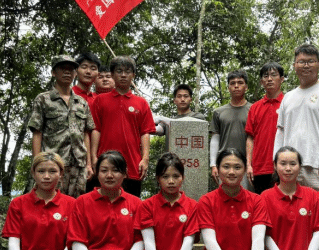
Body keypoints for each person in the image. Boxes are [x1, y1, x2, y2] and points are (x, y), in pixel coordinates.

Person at [274, 44, 319, 190]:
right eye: (301, 62)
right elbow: (280, 131)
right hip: (290, 167)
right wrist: (276, 160)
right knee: (292, 203)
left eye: (310, 61)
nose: (306, 65)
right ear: (294, 65)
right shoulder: (288, 97)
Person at [28, 55, 95, 197]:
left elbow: (85, 134)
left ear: (75, 74)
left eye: (71, 69)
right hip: (53, 164)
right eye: (62, 69)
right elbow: (37, 132)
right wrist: (37, 164)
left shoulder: (82, 102)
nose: (67, 72)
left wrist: (88, 164)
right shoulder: (43, 99)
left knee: (76, 204)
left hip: (78, 165)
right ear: (53, 72)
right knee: (51, 201)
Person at [90, 56, 156, 197]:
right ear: (113, 75)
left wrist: (145, 159)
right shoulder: (100, 100)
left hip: (132, 165)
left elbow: (145, 132)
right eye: (119, 71)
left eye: (127, 71)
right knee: (101, 204)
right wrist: (93, 157)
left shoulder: (142, 103)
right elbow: (96, 129)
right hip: (105, 165)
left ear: (133, 75)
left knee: (132, 205)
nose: (123, 75)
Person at [245, 62, 285, 194]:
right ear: (261, 81)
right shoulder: (255, 107)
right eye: (266, 76)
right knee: (261, 203)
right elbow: (250, 138)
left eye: (274, 75)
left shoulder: (288, 103)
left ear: (281, 79)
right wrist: (249, 164)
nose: (269, 79)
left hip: (284, 166)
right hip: (259, 168)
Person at [209, 70, 252, 189]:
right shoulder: (218, 112)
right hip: (224, 164)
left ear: (246, 87)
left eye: (240, 82)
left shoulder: (254, 110)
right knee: (224, 196)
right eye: (232, 83)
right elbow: (215, 138)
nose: (236, 86)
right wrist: (213, 164)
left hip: (247, 164)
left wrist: (251, 164)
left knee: (247, 196)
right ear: (228, 87)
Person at [154, 84, 206, 151]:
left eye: (186, 96)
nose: (182, 99)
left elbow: (184, 124)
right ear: (174, 100)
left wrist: (161, 118)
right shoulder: (167, 122)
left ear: (191, 100)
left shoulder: (198, 117)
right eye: (179, 96)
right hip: (172, 157)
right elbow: (156, 130)